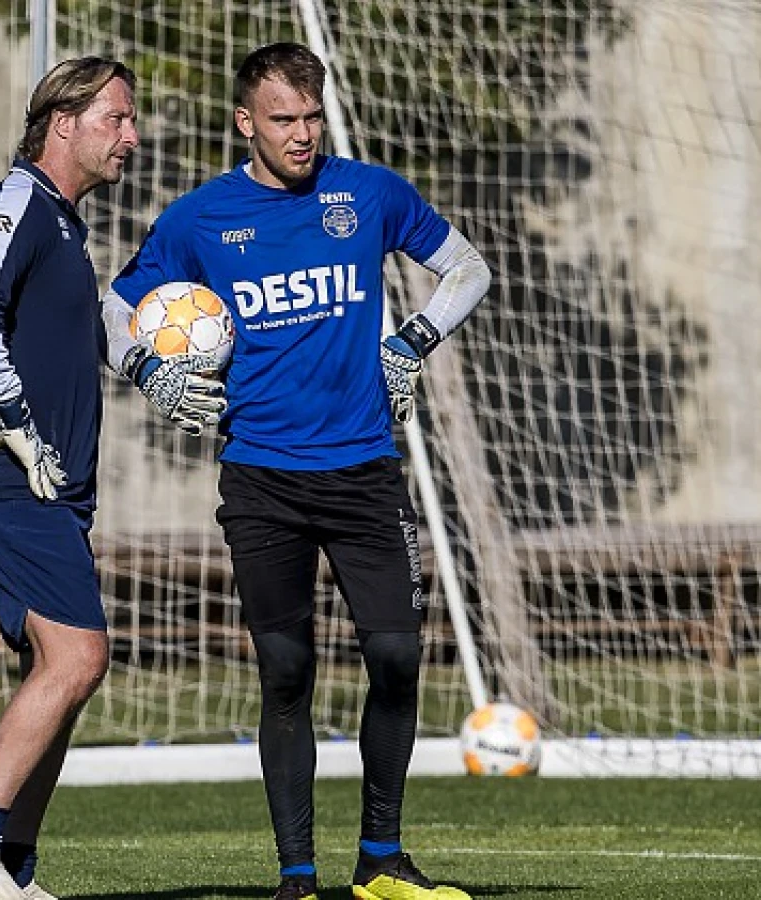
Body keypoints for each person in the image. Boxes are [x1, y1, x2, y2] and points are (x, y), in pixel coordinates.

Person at [104, 42, 491, 900]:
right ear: (246, 122)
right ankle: (297, 876)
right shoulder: (200, 219)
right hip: (262, 483)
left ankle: (382, 862)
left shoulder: (369, 194)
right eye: (284, 119)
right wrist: (146, 368)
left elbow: (470, 268)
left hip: (364, 473)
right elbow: (115, 304)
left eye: (313, 116)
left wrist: (413, 342)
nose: (303, 134)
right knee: (286, 673)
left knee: (395, 656)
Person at [0, 57, 157, 900]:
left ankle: (10, 869)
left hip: (48, 485)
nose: (131, 136)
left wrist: (142, 363)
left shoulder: (66, 222)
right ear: (63, 122)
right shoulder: (18, 204)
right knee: (79, 658)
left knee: (61, 674)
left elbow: (76, 325)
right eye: (117, 119)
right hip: (1, 474)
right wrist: (18, 423)